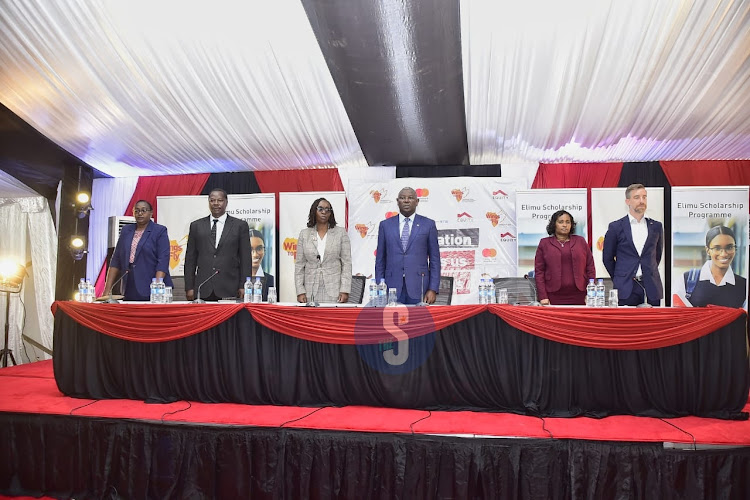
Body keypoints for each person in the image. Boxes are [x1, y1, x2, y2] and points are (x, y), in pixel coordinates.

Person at [375, 187, 440, 304]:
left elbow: (435, 259)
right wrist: (380, 286)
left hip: (419, 287)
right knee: (391, 322)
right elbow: (380, 259)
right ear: (397, 201)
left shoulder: (428, 225)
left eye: (410, 198)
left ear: (417, 201)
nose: (406, 201)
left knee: (419, 322)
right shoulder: (385, 225)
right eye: (402, 198)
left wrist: (433, 288)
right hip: (391, 287)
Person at [184, 188, 251, 301]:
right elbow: (190, 259)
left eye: (220, 200)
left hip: (230, 287)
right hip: (203, 287)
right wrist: (189, 287)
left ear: (226, 202)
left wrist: (243, 285)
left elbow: (246, 259)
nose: (216, 203)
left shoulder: (240, 225)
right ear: (209, 202)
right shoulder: (196, 226)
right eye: (212, 200)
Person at [602, 183, 663, 306]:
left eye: (644, 197)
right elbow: (607, 258)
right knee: (626, 324)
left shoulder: (656, 226)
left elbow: (657, 256)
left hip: (651, 287)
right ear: (627, 201)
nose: (642, 201)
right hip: (626, 287)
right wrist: (620, 277)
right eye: (637, 197)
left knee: (652, 324)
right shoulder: (616, 227)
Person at [101, 200, 173, 301]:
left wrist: (156, 287)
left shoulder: (159, 231)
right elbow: (116, 260)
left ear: (151, 213)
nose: (140, 214)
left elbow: (163, 260)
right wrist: (106, 290)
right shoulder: (126, 230)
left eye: (143, 210)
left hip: (152, 285)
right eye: (137, 211)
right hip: (129, 284)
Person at [673, 225, 747, 308]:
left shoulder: (744, 286)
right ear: (708, 250)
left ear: (735, 249)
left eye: (729, 247)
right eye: (717, 248)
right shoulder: (686, 280)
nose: (724, 254)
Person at [295, 198, 352, 303]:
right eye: (320, 209)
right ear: (314, 211)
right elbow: (299, 265)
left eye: (327, 209)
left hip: (335, 290)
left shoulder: (340, 233)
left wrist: (345, 290)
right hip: (310, 290)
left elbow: (347, 263)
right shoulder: (304, 234)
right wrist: (300, 291)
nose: (324, 212)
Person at [534, 210, 595, 305]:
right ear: (554, 224)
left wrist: (590, 294)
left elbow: (590, 268)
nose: (565, 225)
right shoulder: (544, 243)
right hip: (553, 296)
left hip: (580, 295)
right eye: (561, 222)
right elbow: (539, 272)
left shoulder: (581, 241)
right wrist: (543, 296)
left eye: (568, 222)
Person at [249, 229, 275, 301]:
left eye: (259, 248)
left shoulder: (271, 280)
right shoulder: (235, 280)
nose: (255, 254)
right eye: (250, 249)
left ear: (265, 250)